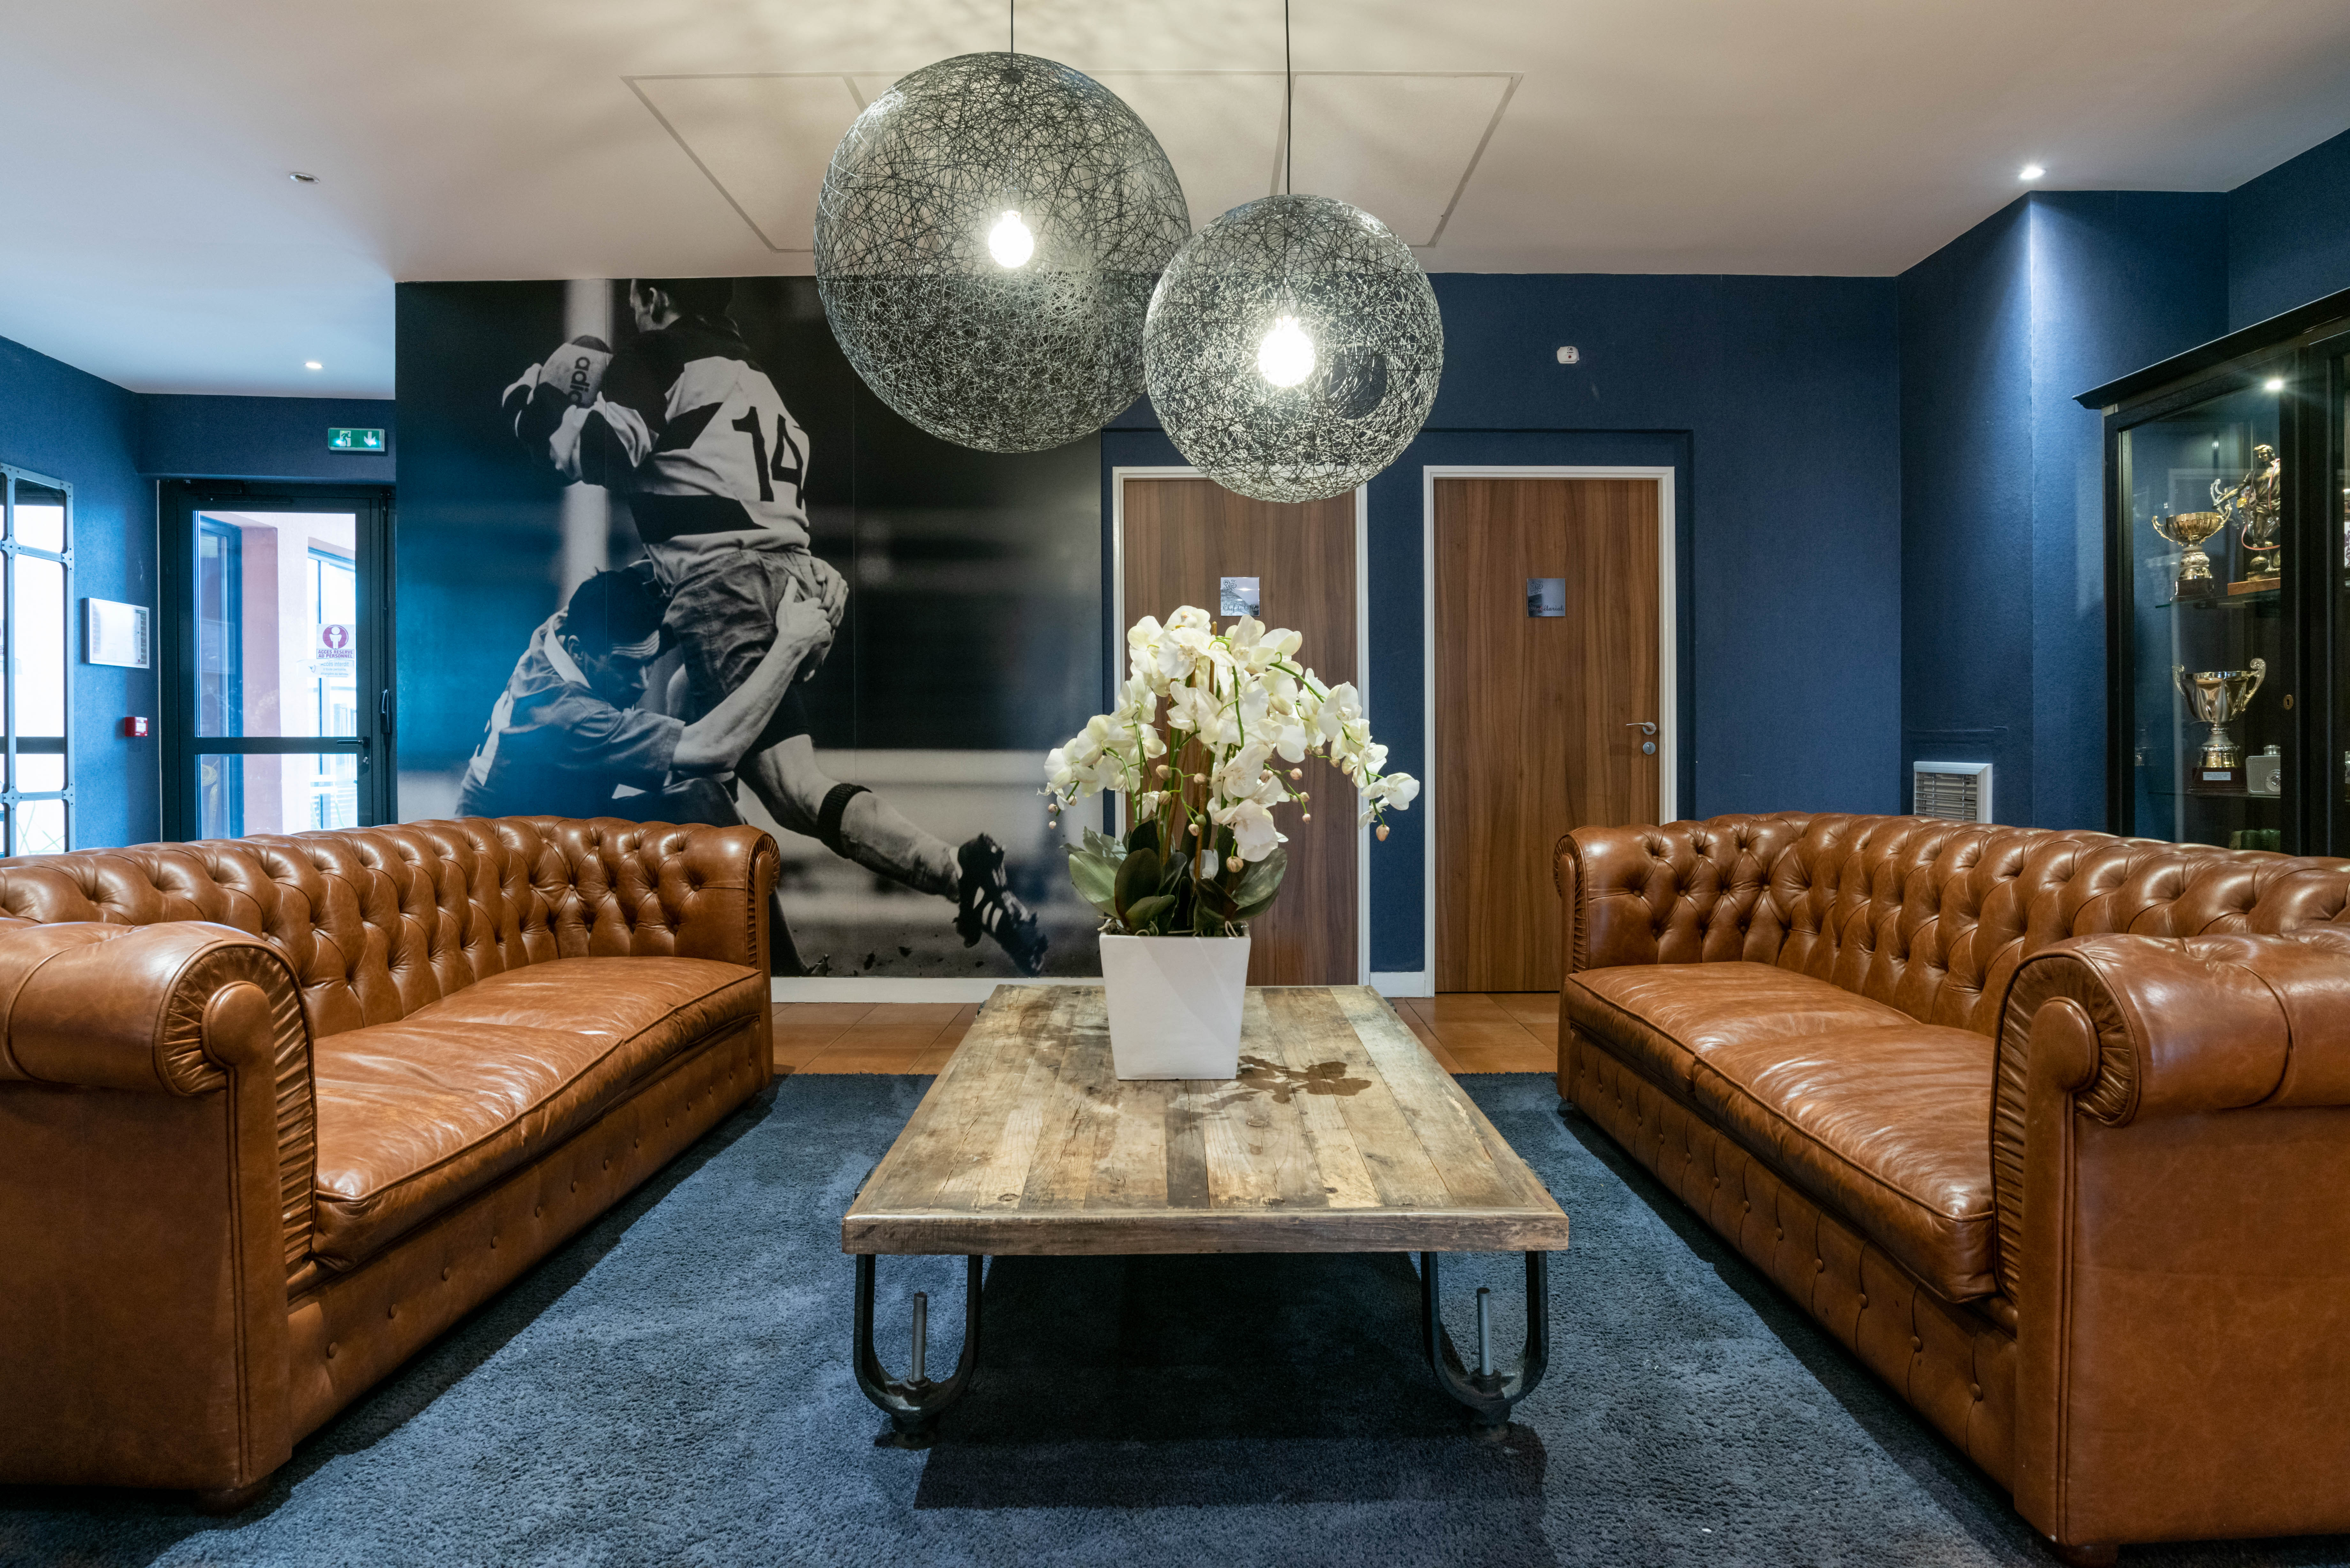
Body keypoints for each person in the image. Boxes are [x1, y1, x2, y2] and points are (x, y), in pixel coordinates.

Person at [499, 278, 1046, 973]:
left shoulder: (658, 355)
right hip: (786, 576)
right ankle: (748, 942)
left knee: (783, 786)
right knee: (698, 760)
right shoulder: (754, 378)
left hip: (723, 587)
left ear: (653, 297)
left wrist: (535, 399)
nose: (633, 308)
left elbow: (593, 453)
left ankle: (930, 884)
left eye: (638, 296)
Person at [457, 566, 827, 972]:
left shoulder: (572, 626)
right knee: (702, 799)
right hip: (514, 881)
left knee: (691, 709)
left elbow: (695, 568)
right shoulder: (567, 715)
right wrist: (791, 646)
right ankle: (788, 973)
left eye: (649, 661)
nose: (640, 682)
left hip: (559, 829)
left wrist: (811, 577)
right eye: (625, 665)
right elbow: (714, 748)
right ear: (578, 652)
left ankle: (730, 947)